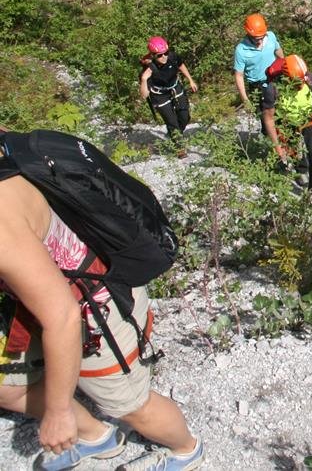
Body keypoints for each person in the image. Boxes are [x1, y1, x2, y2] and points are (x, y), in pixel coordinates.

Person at [0, 149, 204, 470]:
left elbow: (64, 316)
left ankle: (185, 449)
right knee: (6, 386)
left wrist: (58, 412)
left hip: (94, 308)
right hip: (41, 300)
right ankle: (97, 436)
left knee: (132, 406)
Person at [263, 54, 312, 189]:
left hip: (310, 119)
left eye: (302, 81)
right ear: (287, 78)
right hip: (287, 122)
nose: (301, 84)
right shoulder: (273, 89)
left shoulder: (311, 79)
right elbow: (269, 118)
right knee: (292, 152)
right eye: (297, 82)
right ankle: (299, 172)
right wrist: (277, 146)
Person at [139, 36, 197, 149]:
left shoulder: (172, 57)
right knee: (171, 121)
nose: (164, 57)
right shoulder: (149, 68)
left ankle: (175, 135)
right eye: (160, 55)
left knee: (185, 117)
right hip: (159, 95)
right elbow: (144, 95)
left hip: (174, 87)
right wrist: (144, 79)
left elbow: (181, 65)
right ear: (153, 55)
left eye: (166, 53)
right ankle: (179, 146)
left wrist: (191, 80)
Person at [232, 13, 284, 135]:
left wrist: (285, 66)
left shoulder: (270, 36)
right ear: (249, 34)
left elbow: (278, 51)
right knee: (266, 119)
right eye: (256, 38)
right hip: (258, 87)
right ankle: (272, 146)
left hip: (276, 80)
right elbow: (239, 75)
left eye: (262, 37)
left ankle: (286, 144)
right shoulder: (241, 50)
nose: (260, 40)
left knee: (282, 114)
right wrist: (245, 99)